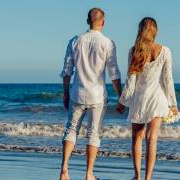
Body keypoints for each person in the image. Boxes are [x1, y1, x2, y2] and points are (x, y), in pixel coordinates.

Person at [59, 7, 124, 180]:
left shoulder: (75, 41)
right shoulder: (108, 43)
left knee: (71, 129)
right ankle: (89, 174)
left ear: (88, 21)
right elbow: (114, 73)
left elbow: (67, 71)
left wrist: (65, 93)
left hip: (77, 93)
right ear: (103, 22)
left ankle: (64, 169)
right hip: (97, 95)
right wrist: (121, 97)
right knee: (93, 133)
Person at [119, 17, 179, 180]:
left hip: (139, 99)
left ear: (140, 30)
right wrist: (173, 103)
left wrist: (123, 101)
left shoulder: (134, 51)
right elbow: (168, 79)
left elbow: (130, 81)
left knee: (137, 138)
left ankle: (137, 176)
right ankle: (148, 178)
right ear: (156, 32)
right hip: (158, 99)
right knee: (151, 139)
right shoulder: (165, 51)